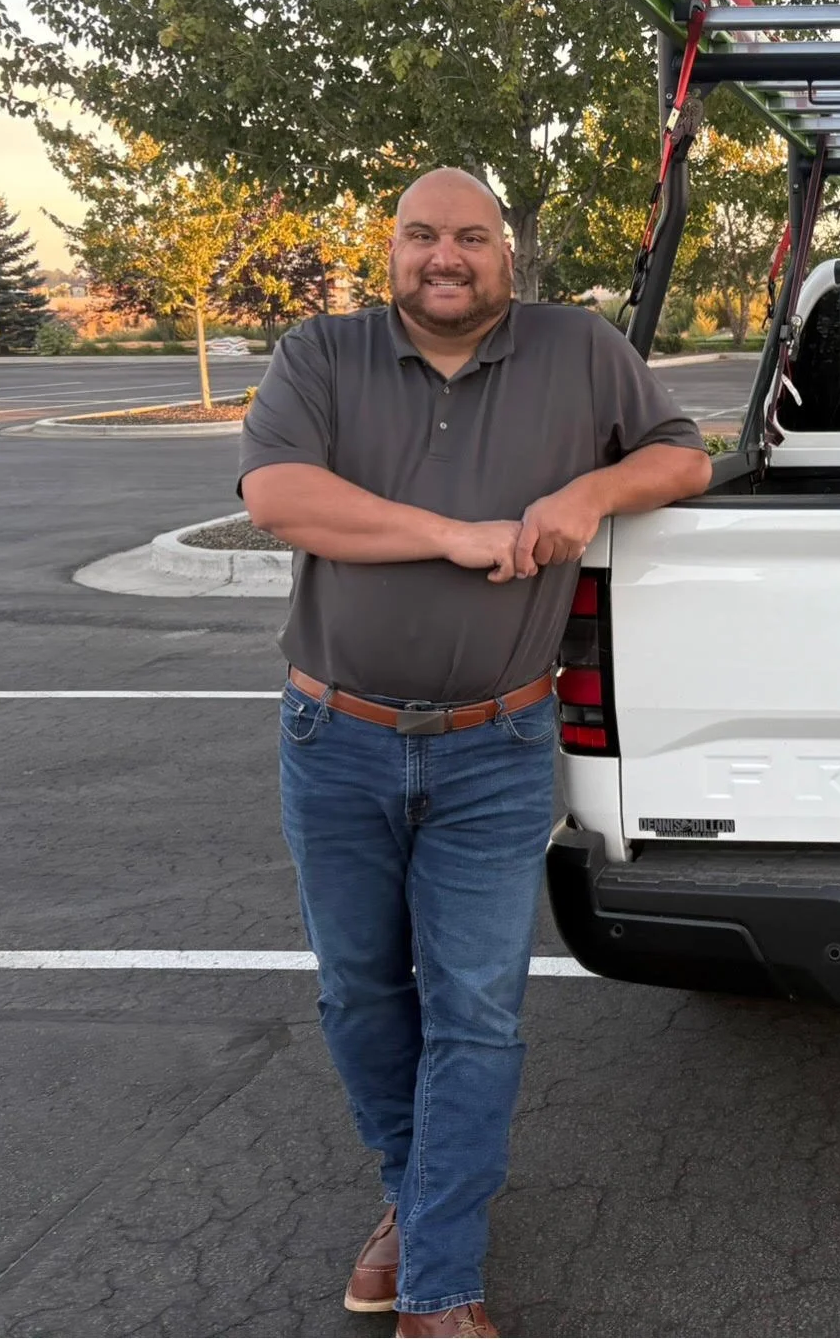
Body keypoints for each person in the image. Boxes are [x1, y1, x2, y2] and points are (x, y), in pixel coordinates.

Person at [239, 168, 711, 1337]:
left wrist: (593, 489)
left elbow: (683, 456)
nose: (444, 257)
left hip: (495, 742)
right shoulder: (323, 354)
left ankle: (438, 1285)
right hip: (332, 734)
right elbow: (279, 496)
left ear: (507, 253)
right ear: (390, 249)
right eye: (420, 236)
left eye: (470, 237)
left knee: (476, 1012)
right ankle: (415, 1201)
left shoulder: (579, 348)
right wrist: (456, 536)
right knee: (359, 993)